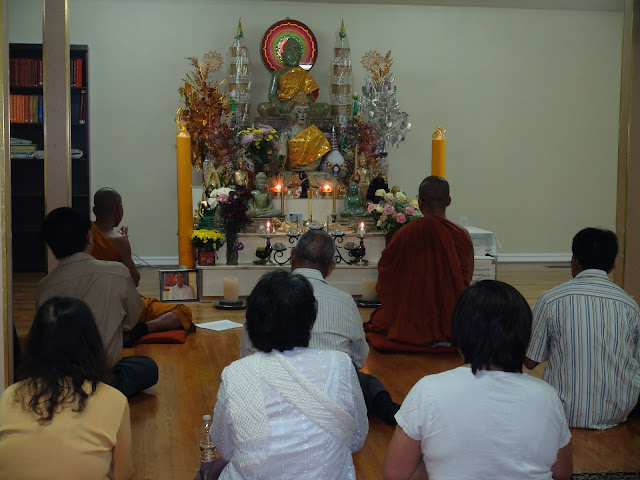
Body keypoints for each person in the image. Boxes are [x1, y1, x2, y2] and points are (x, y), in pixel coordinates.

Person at [383, 280, 573, 480]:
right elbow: (562, 473)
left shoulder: (428, 390)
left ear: (461, 334)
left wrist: (434, 464)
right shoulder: (547, 396)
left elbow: (395, 474)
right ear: (524, 336)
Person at [210, 270, 367, 479]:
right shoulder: (340, 364)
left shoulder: (236, 374)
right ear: (310, 319)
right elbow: (357, 439)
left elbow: (226, 449)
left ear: (253, 322)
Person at [240, 230, 400, 424]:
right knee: (365, 382)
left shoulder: (265, 297)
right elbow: (358, 359)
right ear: (331, 267)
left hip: (274, 392)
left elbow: (247, 354)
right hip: (332, 393)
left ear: (292, 256)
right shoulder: (344, 301)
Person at [0, 297, 133, 479]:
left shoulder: (9, 395)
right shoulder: (114, 400)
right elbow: (123, 474)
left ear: (34, 343)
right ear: (90, 342)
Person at [524, 228, 640, 429]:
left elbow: (530, 361)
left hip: (562, 411)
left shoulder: (550, 300)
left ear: (574, 261)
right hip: (620, 411)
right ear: (612, 265)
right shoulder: (629, 305)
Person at [37, 207, 158, 397]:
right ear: (89, 236)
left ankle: (79, 393)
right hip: (102, 373)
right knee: (147, 367)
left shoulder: (44, 287)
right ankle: (102, 393)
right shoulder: (116, 272)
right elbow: (132, 320)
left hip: (59, 377)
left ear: (51, 245)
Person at [364, 175, 474, 352]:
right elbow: (465, 281)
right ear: (449, 201)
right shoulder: (461, 235)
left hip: (410, 318)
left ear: (419, 202)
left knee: (379, 321)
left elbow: (387, 276)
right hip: (450, 320)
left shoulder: (406, 233)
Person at [92, 187, 193, 344]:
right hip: (118, 304)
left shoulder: (86, 234)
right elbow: (134, 280)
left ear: (94, 210)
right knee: (183, 311)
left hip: (92, 303)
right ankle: (141, 330)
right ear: (119, 210)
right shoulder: (119, 241)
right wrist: (124, 242)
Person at [257, 38, 329, 118]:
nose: (293, 56)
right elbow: (271, 95)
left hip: (301, 107)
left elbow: (310, 95)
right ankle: (292, 116)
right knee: (262, 107)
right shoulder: (277, 74)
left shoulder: (304, 74)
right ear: (283, 56)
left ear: (300, 56)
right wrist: (275, 102)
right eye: (290, 53)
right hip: (283, 106)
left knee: (325, 107)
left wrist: (307, 103)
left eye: (296, 53)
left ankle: (290, 116)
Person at [277, 92, 331, 172]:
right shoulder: (287, 133)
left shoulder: (315, 133)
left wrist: (309, 168)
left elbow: (317, 160)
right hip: (291, 172)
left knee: (328, 180)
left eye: (305, 111)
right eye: (299, 111)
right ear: (292, 112)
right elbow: (282, 153)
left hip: (311, 172)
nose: (302, 115)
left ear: (309, 113)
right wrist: (281, 161)